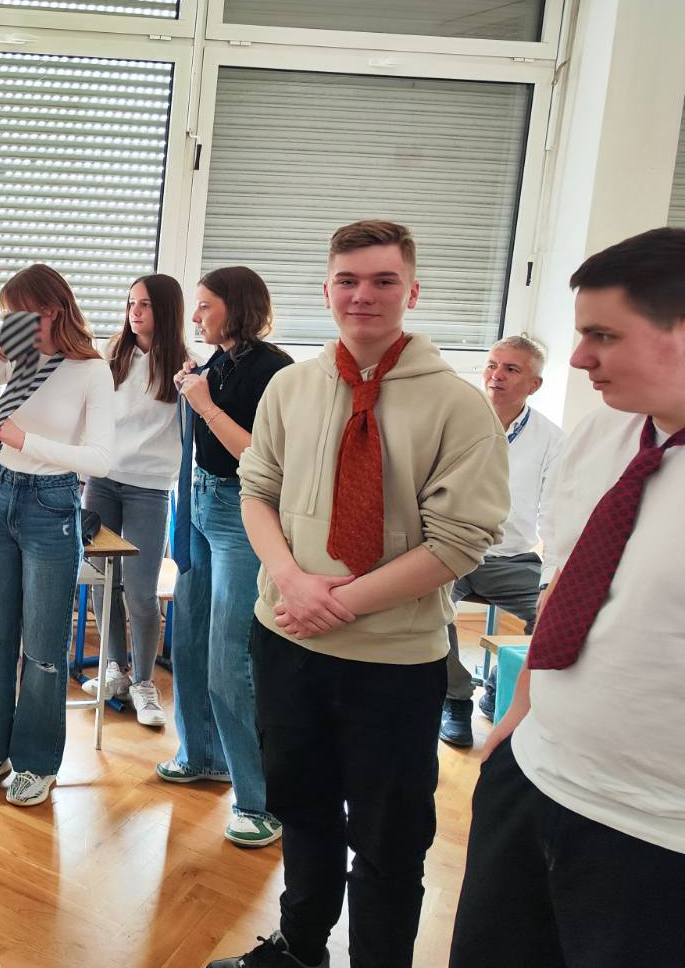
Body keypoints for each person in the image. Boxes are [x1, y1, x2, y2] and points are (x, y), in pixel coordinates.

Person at [209, 220, 508, 968]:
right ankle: (301, 946)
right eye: (347, 280)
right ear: (326, 290)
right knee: (302, 809)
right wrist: (291, 580)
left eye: (382, 280)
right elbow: (256, 492)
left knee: (390, 839)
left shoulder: (460, 407)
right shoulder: (291, 388)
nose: (362, 295)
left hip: (394, 661)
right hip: (288, 641)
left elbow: (458, 543)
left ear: (413, 291)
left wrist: (335, 603)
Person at [450, 227, 685, 968]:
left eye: (603, 336)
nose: (579, 358)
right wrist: (516, 722)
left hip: (655, 833)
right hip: (534, 776)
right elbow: (567, 583)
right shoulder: (603, 434)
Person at [0, 264, 115, 808]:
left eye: (19, 314)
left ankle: (37, 763)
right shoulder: (16, 359)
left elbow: (100, 458)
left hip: (53, 503)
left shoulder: (91, 370)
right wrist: (0, 352)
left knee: (43, 648)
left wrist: (25, 440)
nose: (12, 324)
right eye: (6, 316)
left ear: (53, 310)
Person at [158, 267, 293, 849]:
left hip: (243, 513)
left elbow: (260, 456)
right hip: (199, 501)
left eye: (206, 306)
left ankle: (258, 801)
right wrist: (195, 389)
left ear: (236, 308)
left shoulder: (274, 370)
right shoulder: (219, 361)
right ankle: (203, 756)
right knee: (187, 638)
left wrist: (205, 404)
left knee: (229, 656)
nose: (195, 317)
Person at [438, 334, 563, 748]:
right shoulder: (453, 421)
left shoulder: (552, 440)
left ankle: (499, 684)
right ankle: (456, 698)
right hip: (452, 549)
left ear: (534, 385)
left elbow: (554, 515)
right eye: (492, 365)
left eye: (511, 369)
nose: (497, 375)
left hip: (512, 558)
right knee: (428, 607)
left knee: (556, 612)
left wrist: (550, 581)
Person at [82, 273, 187, 728]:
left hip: (150, 486)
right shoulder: (111, 356)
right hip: (102, 480)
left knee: (141, 591)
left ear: (166, 310)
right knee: (101, 582)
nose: (135, 312)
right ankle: (114, 670)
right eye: (131, 303)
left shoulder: (187, 366)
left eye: (144, 304)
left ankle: (144, 682)